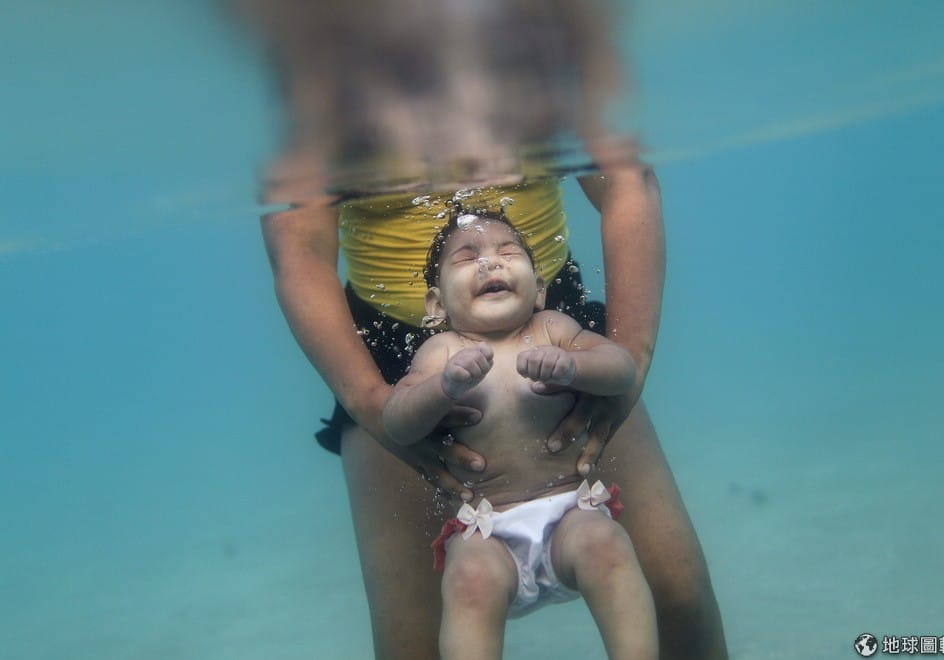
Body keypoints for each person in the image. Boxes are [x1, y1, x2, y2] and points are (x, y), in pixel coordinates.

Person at [247, 1, 728, 657]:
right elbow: (297, 249)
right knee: (413, 644)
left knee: (678, 597)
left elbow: (626, 179)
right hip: (392, 360)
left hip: (553, 329)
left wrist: (632, 357)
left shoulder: (537, 28)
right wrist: (373, 403)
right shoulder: (322, 52)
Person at [382, 211, 657, 659]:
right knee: (468, 580)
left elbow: (622, 369)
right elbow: (397, 422)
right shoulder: (440, 352)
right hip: (487, 529)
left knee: (608, 546)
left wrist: (574, 366)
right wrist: (441, 388)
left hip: (571, 512)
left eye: (508, 253)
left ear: (540, 288)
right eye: (467, 258)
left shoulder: (553, 328)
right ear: (436, 305)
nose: (491, 263)